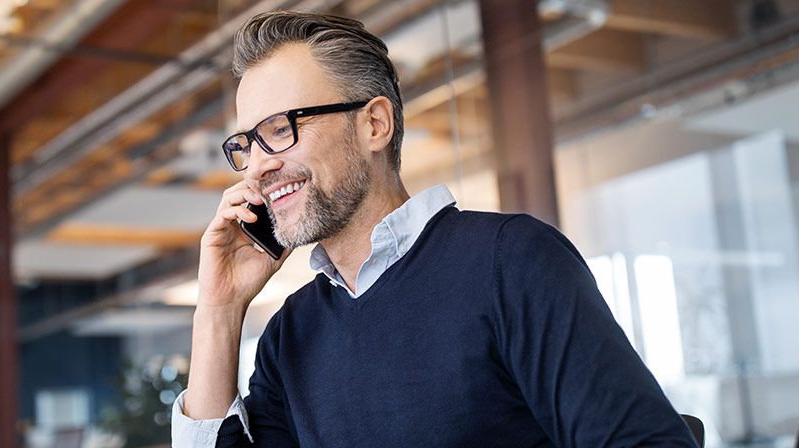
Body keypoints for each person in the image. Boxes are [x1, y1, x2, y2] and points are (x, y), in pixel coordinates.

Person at [170, 10, 699, 448]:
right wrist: (218, 311)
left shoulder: (510, 262)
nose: (257, 166)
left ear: (374, 124)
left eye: (280, 130)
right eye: (246, 145)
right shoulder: (291, 333)